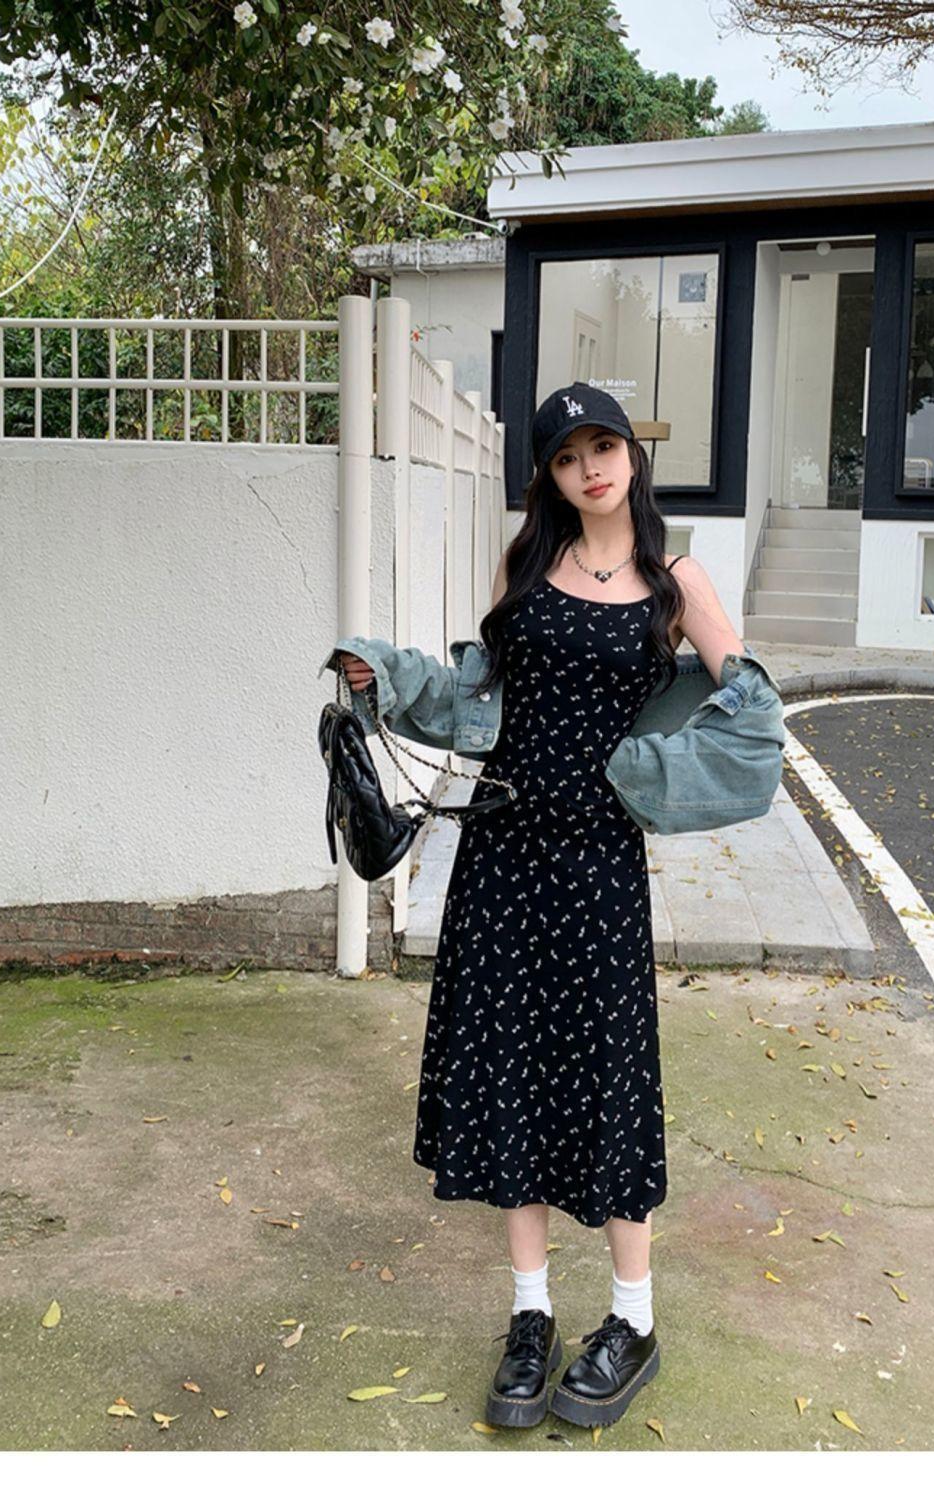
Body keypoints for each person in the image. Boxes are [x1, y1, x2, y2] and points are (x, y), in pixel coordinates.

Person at [337, 382, 746, 1431]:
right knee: (509, 1074)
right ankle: (531, 1313)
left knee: (607, 1078)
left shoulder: (677, 580)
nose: (588, 469)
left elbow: (746, 707)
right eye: (566, 457)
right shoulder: (525, 564)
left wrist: (660, 778)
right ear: (549, 476)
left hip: (599, 866)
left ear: (630, 455)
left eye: (602, 446)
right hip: (501, 856)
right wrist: (384, 673)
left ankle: (632, 1320)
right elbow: (473, 693)